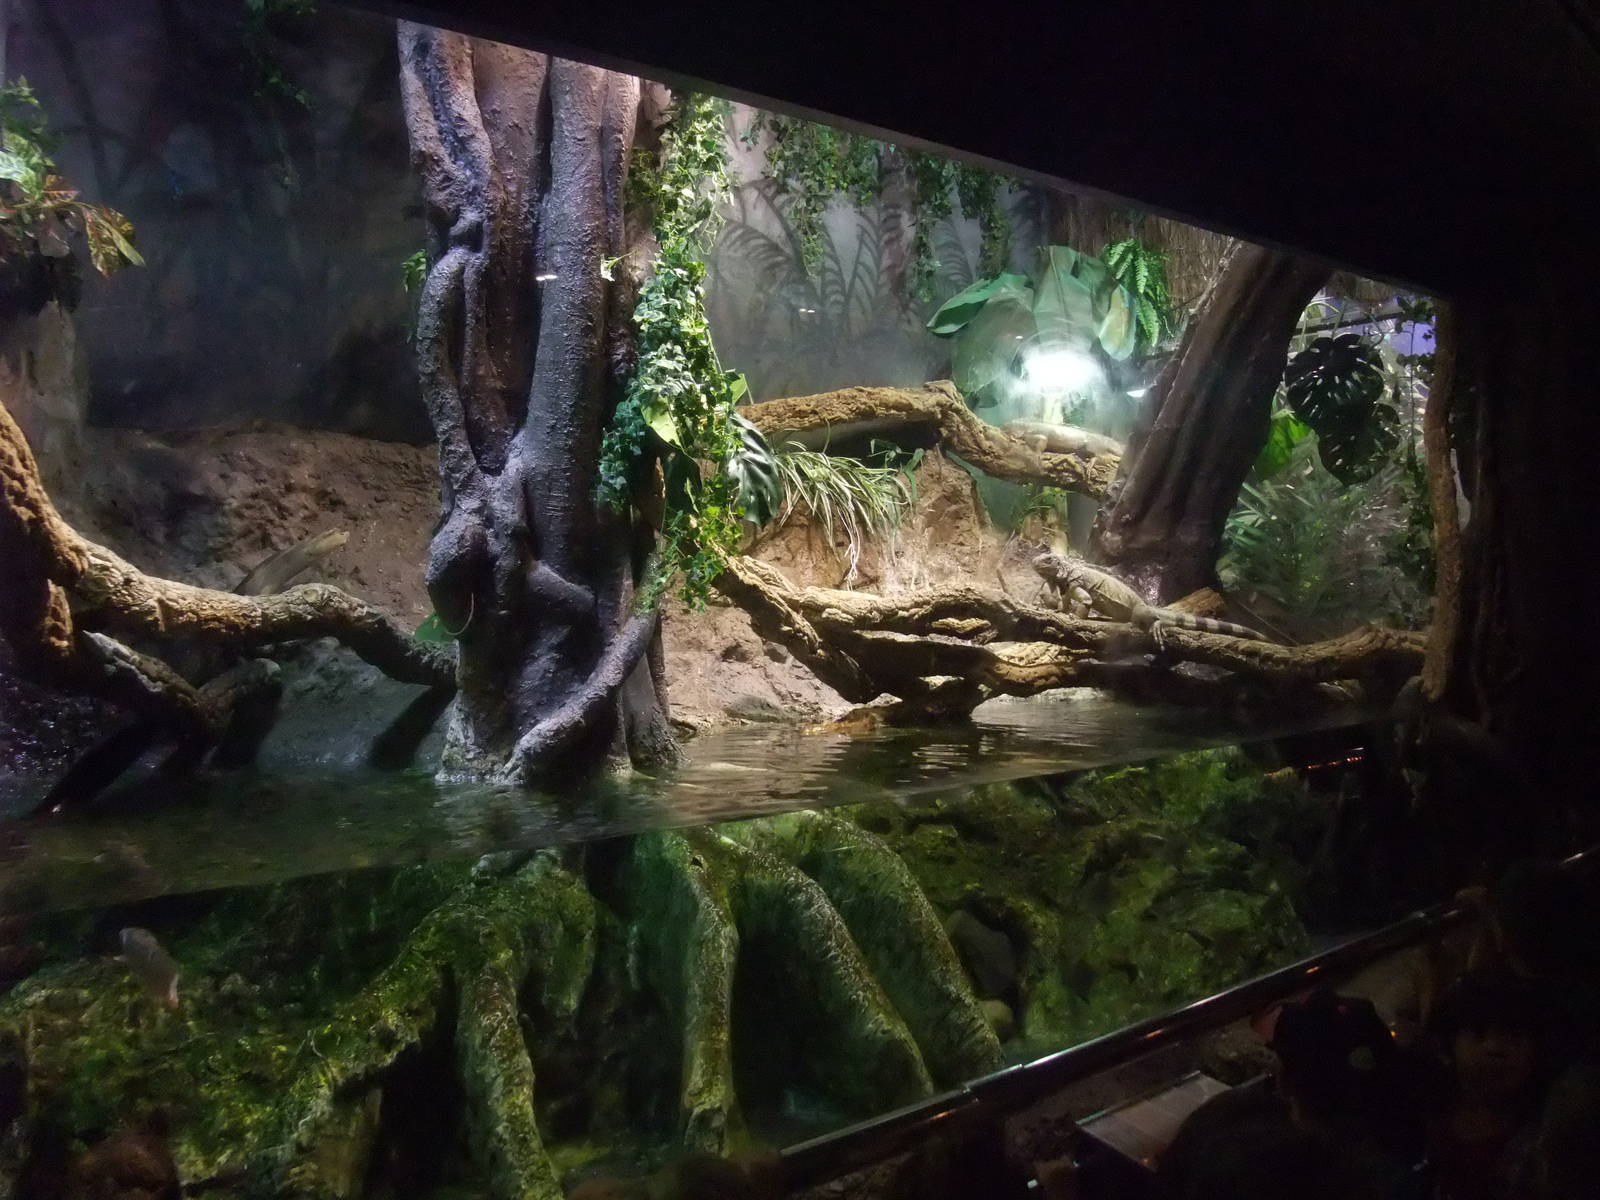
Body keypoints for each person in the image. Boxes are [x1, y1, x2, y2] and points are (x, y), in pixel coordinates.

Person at [1423, 968, 1553, 1200]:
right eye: (1478, 1034)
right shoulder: (1432, 1110)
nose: (1495, 1048)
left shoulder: (1545, 1130)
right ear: (1449, 1045)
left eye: (1513, 1035)